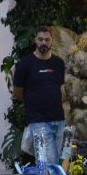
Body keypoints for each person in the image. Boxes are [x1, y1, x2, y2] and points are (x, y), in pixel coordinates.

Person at [12, 26, 66, 164]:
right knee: (49, 161)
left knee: (56, 161)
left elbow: (59, 87)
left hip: (59, 119)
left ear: (52, 41)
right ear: (35, 40)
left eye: (47, 40)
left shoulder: (59, 63)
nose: (44, 43)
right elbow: (17, 92)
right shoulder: (25, 65)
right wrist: (33, 101)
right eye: (40, 39)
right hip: (38, 121)